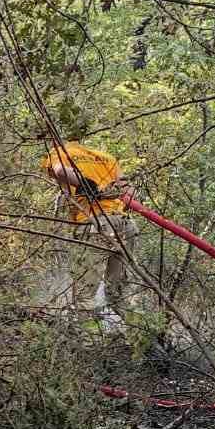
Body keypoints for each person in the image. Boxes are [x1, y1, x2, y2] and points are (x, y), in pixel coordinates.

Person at [40, 137, 138, 331]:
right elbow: (129, 190)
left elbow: (61, 171)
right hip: (126, 225)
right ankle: (135, 338)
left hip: (96, 224)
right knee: (118, 293)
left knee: (85, 293)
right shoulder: (105, 157)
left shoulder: (61, 152)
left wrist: (85, 183)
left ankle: (86, 344)